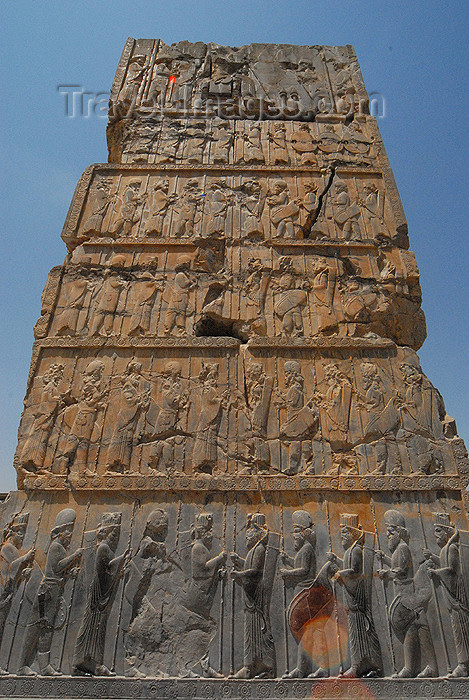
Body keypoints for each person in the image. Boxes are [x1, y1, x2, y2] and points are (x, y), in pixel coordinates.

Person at [18, 509, 83, 676]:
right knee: (36, 628)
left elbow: (60, 572)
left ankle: (44, 666)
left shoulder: (60, 546)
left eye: (71, 529)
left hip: (53, 590)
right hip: (47, 592)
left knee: (47, 628)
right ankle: (22, 666)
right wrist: (75, 557)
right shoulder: (55, 546)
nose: (70, 533)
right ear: (60, 531)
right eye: (68, 530)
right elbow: (57, 567)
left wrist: (70, 573)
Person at [73, 512, 128, 676]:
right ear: (109, 532)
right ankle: (85, 664)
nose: (116, 537)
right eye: (115, 533)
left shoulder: (106, 548)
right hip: (98, 596)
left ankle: (94, 664)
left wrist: (118, 566)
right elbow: (103, 572)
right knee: (92, 629)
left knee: (97, 630)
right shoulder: (103, 548)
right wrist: (120, 561)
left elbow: (109, 570)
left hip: (102, 595)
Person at [424, 513, 469, 677]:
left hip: (457, 599)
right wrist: (433, 559)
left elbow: (451, 571)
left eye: (438, 531)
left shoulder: (452, 548)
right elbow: (444, 564)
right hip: (452, 601)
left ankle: (463, 666)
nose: (435, 536)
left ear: (446, 532)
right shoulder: (445, 550)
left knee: (461, 632)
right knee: (457, 631)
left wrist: (435, 572)